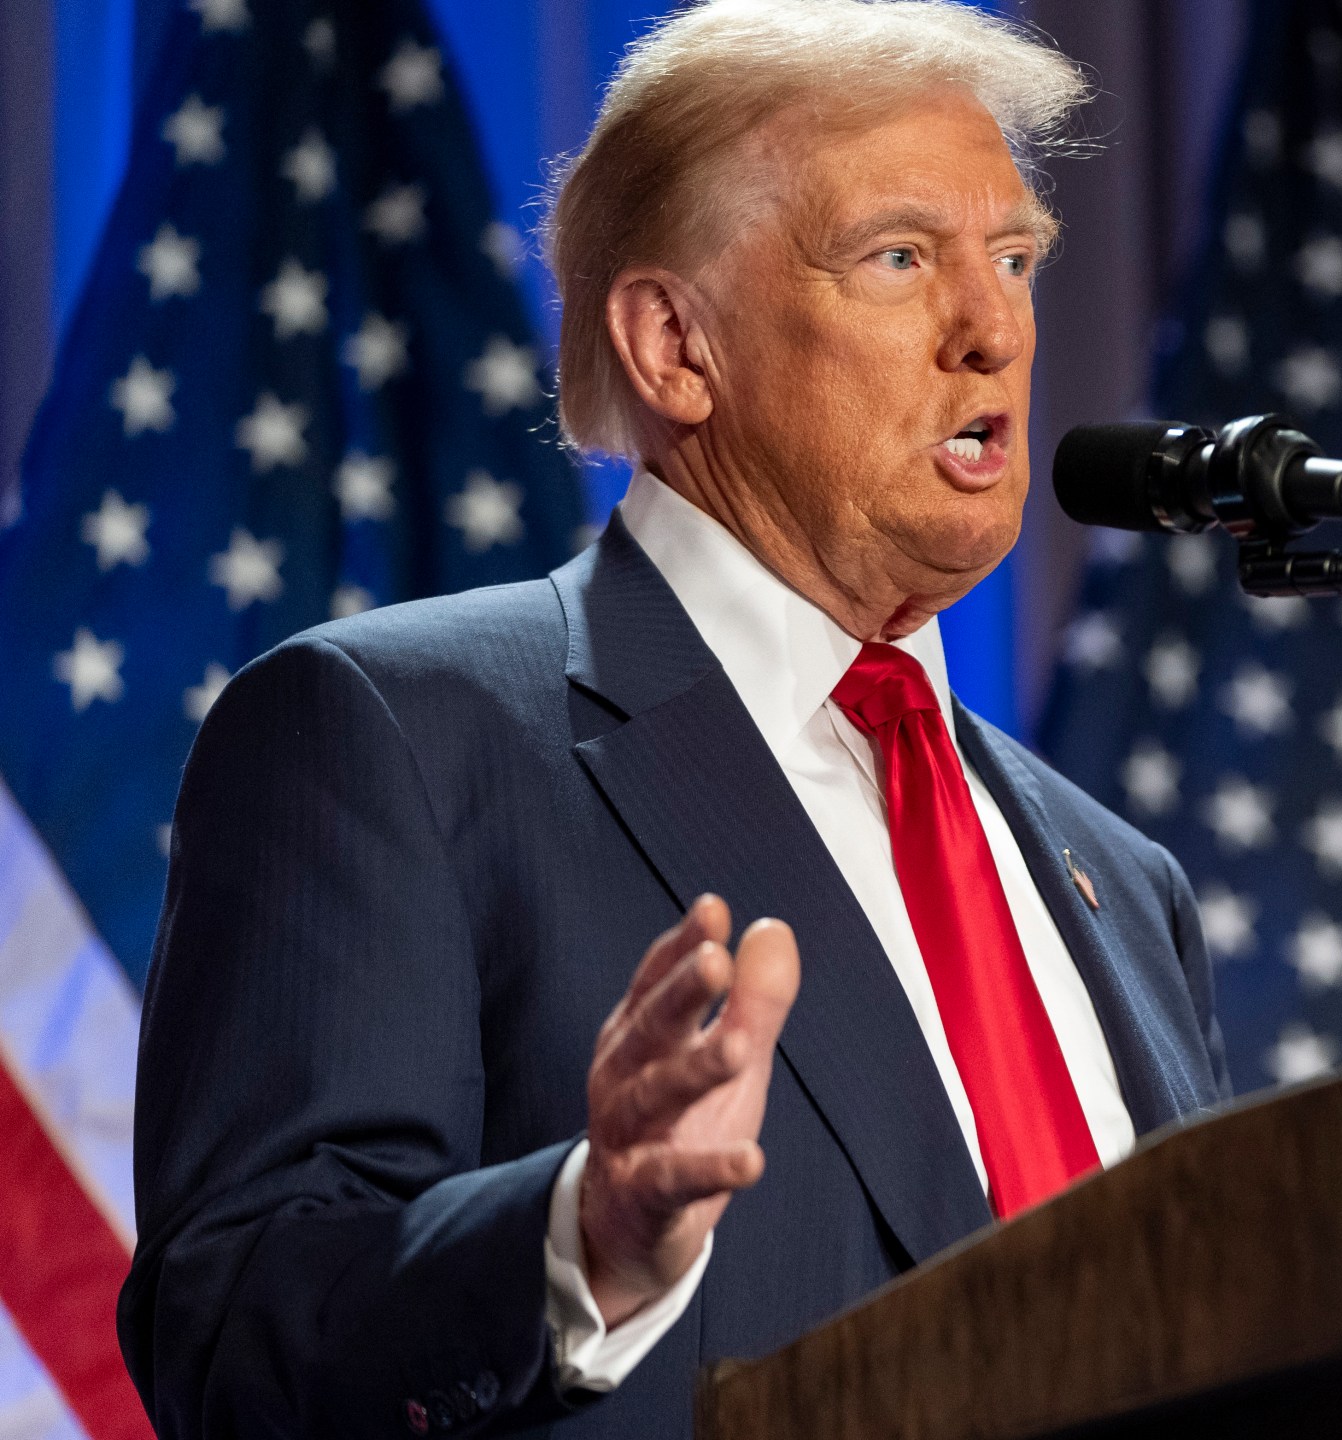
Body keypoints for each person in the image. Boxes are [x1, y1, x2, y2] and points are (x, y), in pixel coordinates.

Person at [117, 4, 1228, 1435]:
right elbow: (234, 1324)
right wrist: (583, 1234)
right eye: (901, 256)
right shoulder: (393, 733)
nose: (995, 329)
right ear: (673, 344)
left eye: (1014, 259)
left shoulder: (1125, 887)